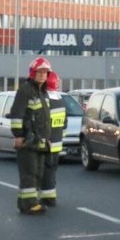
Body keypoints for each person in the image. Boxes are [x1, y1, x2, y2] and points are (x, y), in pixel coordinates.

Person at [9, 57, 53, 214]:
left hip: (40, 141)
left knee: (37, 173)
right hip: (28, 140)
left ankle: (26, 202)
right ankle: (29, 204)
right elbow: (16, 115)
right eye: (39, 72)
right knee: (29, 173)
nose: (42, 75)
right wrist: (19, 135)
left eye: (45, 72)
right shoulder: (25, 90)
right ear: (33, 73)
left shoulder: (42, 92)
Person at [40, 71, 65, 207]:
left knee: (46, 171)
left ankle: (48, 198)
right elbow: (64, 123)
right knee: (52, 171)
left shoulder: (45, 100)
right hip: (57, 143)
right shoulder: (60, 99)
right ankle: (49, 195)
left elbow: (42, 122)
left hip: (47, 142)